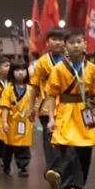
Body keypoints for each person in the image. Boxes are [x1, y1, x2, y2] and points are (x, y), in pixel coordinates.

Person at [42, 29, 95, 189]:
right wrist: (51, 118)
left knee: (85, 151)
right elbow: (51, 95)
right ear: (65, 47)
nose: (76, 45)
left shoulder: (91, 68)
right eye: (71, 42)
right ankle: (71, 187)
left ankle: (78, 188)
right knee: (68, 150)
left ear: (85, 45)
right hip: (66, 113)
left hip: (85, 114)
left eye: (79, 42)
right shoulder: (59, 69)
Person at [28, 27, 66, 178]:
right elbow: (34, 86)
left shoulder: (70, 60)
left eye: (60, 39)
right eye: (54, 39)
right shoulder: (42, 62)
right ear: (47, 42)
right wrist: (31, 107)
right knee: (49, 138)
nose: (57, 42)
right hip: (47, 106)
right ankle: (53, 170)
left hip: (67, 106)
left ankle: (63, 168)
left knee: (65, 138)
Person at [0, 59, 33, 177]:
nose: (20, 72)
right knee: (9, 146)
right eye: (17, 70)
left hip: (25, 122)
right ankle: (6, 165)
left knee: (24, 146)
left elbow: (34, 104)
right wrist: (4, 122)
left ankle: (23, 167)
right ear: (12, 72)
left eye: (23, 70)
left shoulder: (30, 89)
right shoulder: (8, 89)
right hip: (11, 122)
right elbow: (4, 106)